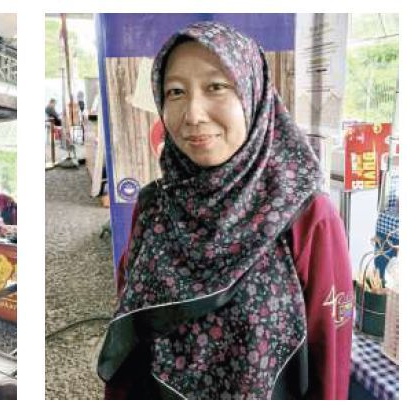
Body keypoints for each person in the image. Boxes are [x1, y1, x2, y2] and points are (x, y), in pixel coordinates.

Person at [96, 22, 351, 400]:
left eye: (216, 87)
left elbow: (328, 357)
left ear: (253, 94)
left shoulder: (306, 217)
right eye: (176, 92)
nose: (194, 114)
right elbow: (133, 329)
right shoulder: (152, 207)